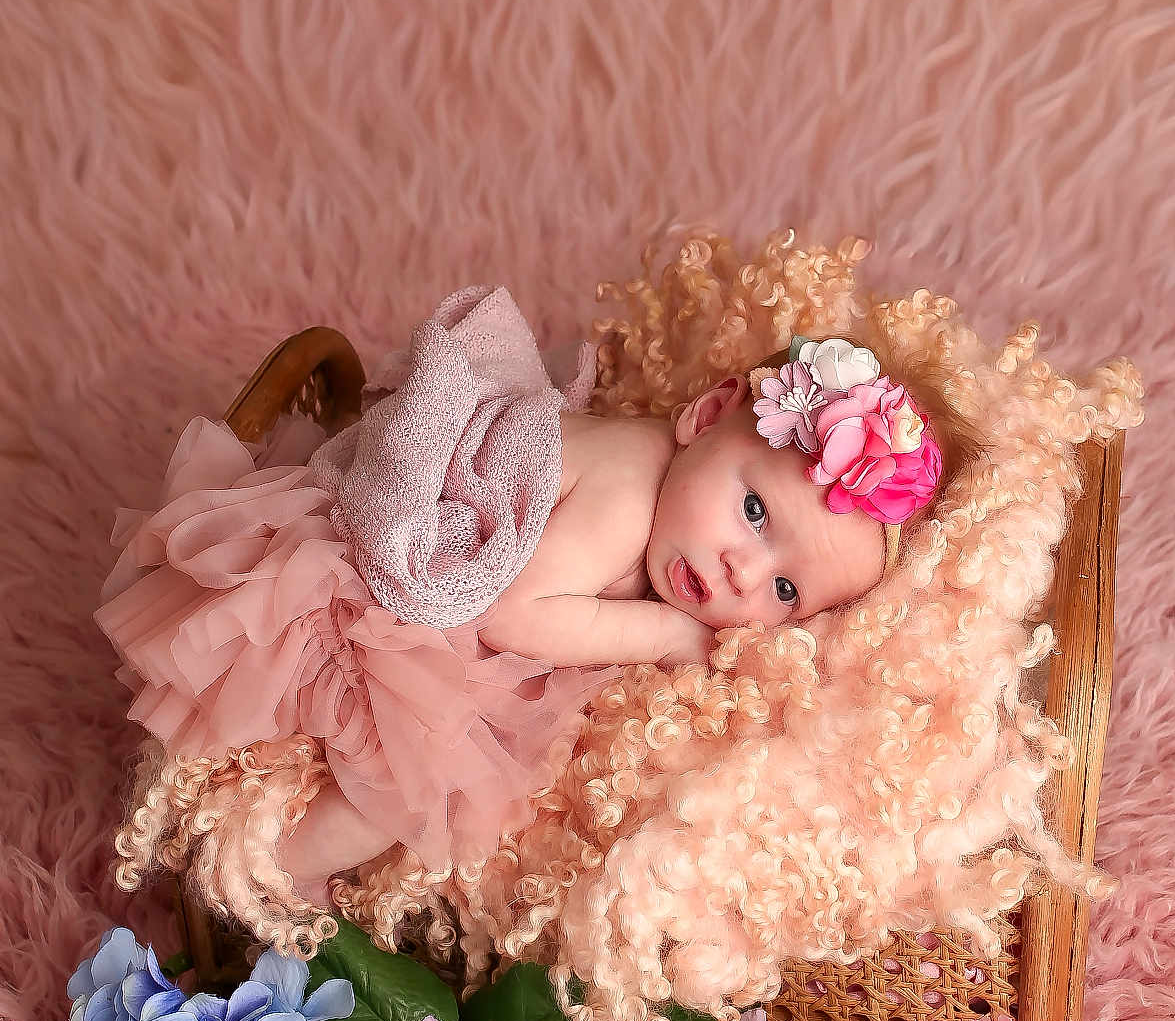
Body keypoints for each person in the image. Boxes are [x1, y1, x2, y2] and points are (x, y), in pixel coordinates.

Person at [96, 282, 976, 909]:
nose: (743, 571)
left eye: (785, 589)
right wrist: (668, 637)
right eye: (754, 511)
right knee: (402, 792)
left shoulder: (674, 503)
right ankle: (274, 879)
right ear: (706, 417)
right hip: (370, 593)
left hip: (482, 583)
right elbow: (516, 615)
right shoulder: (626, 495)